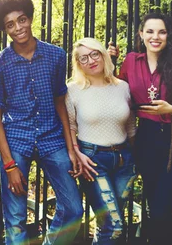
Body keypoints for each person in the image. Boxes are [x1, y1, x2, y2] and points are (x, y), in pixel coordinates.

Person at [0, 0, 83, 245]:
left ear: (30, 19)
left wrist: (71, 148)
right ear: (5, 30)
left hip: (52, 138)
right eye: (10, 24)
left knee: (74, 209)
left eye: (21, 20)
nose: (18, 27)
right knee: (15, 219)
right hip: (16, 141)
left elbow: (60, 102)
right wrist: (9, 165)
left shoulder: (55, 55)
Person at [109, 12, 172, 244]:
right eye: (150, 31)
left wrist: (170, 109)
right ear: (141, 34)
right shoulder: (131, 61)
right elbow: (116, 92)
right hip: (146, 138)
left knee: (162, 210)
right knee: (153, 207)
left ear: (169, 36)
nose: (155, 37)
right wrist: (110, 62)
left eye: (161, 32)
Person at [66, 37, 136, 244]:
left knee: (109, 222)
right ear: (78, 64)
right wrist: (76, 153)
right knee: (114, 226)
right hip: (93, 161)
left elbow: (131, 125)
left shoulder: (122, 87)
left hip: (125, 161)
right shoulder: (73, 89)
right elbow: (70, 126)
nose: (91, 60)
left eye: (94, 54)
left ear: (103, 54)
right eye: (83, 58)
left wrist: (137, 157)